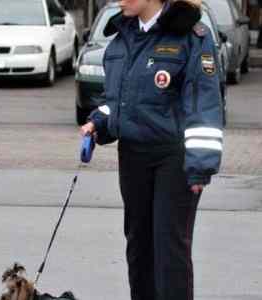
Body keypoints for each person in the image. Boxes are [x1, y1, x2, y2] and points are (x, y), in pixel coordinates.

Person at [80, 0, 223, 299]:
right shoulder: (121, 39)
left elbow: (203, 105)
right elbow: (117, 100)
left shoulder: (191, 36)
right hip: (133, 157)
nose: (119, 0)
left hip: (175, 158)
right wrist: (98, 122)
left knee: (169, 249)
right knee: (139, 247)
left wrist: (200, 166)